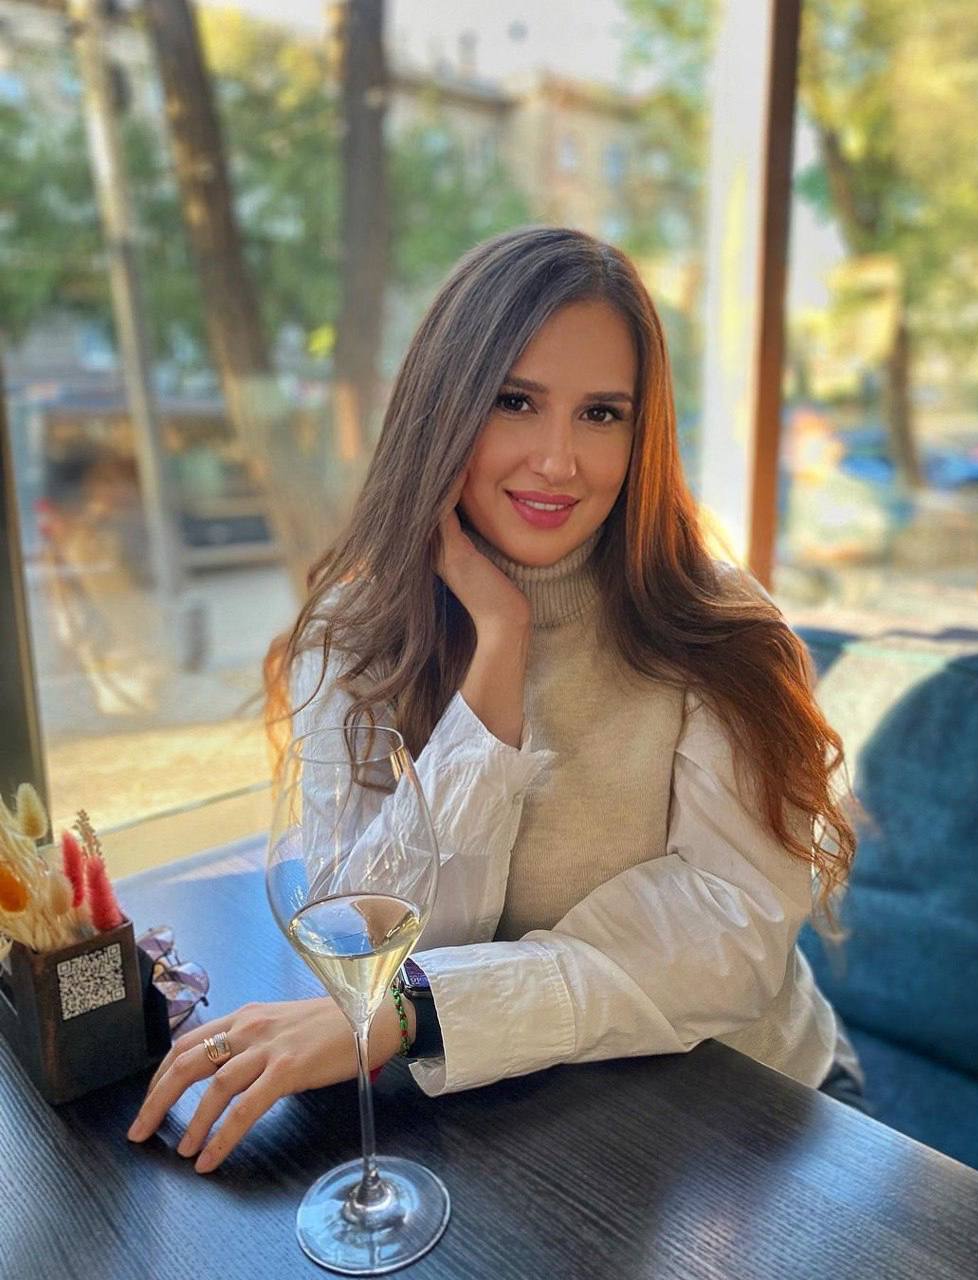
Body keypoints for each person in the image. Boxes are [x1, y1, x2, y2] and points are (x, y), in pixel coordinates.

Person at [127, 225, 869, 1174]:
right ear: (444, 408)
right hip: (519, 1119)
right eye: (515, 402)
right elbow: (378, 935)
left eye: (602, 414)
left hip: (750, 1112)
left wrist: (424, 1011)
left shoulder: (720, 629)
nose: (559, 461)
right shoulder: (351, 637)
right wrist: (498, 651)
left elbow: (726, 944)